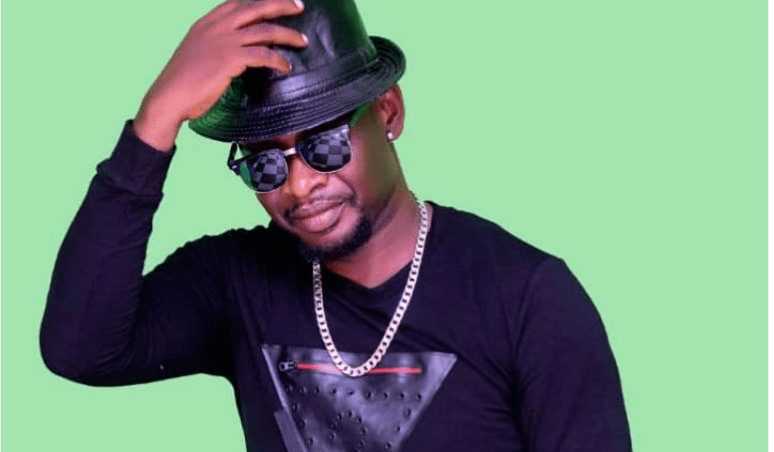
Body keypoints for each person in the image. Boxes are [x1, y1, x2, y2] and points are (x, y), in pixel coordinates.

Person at [39, 0, 633, 450]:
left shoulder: (526, 298)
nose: (299, 186)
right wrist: (157, 119)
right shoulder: (235, 283)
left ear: (388, 112)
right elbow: (81, 349)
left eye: (324, 144)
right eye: (266, 163)